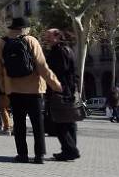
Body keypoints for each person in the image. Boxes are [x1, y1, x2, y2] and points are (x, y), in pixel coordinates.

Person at [0, 17, 61, 164]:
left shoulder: (1, 43)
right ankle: (39, 155)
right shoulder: (31, 40)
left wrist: (4, 88)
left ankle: (22, 155)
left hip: (14, 90)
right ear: (25, 29)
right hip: (34, 89)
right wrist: (55, 84)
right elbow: (42, 66)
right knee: (38, 124)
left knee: (18, 124)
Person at [44, 28, 81, 161]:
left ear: (58, 36)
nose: (46, 39)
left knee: (60, 122)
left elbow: (59, 72)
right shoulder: (67, 49)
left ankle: (71, 150)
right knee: (69, 121)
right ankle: (68, 150)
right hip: (69, 90)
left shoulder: (59, 51)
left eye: (49, 36)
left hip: (61, 90)